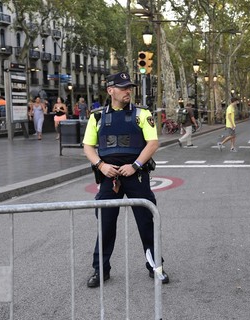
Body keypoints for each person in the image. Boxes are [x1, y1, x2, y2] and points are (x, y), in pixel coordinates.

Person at [82, 72, 169, 288]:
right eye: (123, 87)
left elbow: (152, 143)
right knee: (105, 224)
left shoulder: (142, 114)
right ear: (110, 90)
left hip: (136, 176)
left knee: (146, 223)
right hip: (108, 177)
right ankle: (101, 270)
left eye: (129, 87)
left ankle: (155, 267)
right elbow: (88, 147)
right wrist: (101, 165)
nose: (128, 90)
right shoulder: (97, 117)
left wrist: (135, 166)